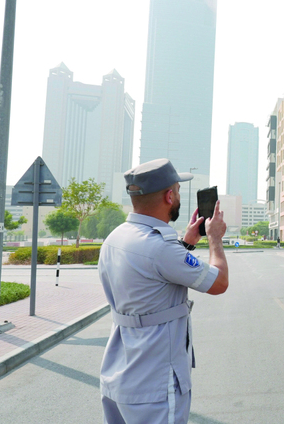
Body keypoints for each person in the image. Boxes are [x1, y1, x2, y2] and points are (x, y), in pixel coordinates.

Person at [98, 158, 229, 424]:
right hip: (155, 384)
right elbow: (219, 283)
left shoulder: (115, 238)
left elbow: (156, 273)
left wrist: (187, 243)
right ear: (169, 196)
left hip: (118, 374)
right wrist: (214, 238)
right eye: (178, 191)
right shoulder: (161, 248)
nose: (179, 196)